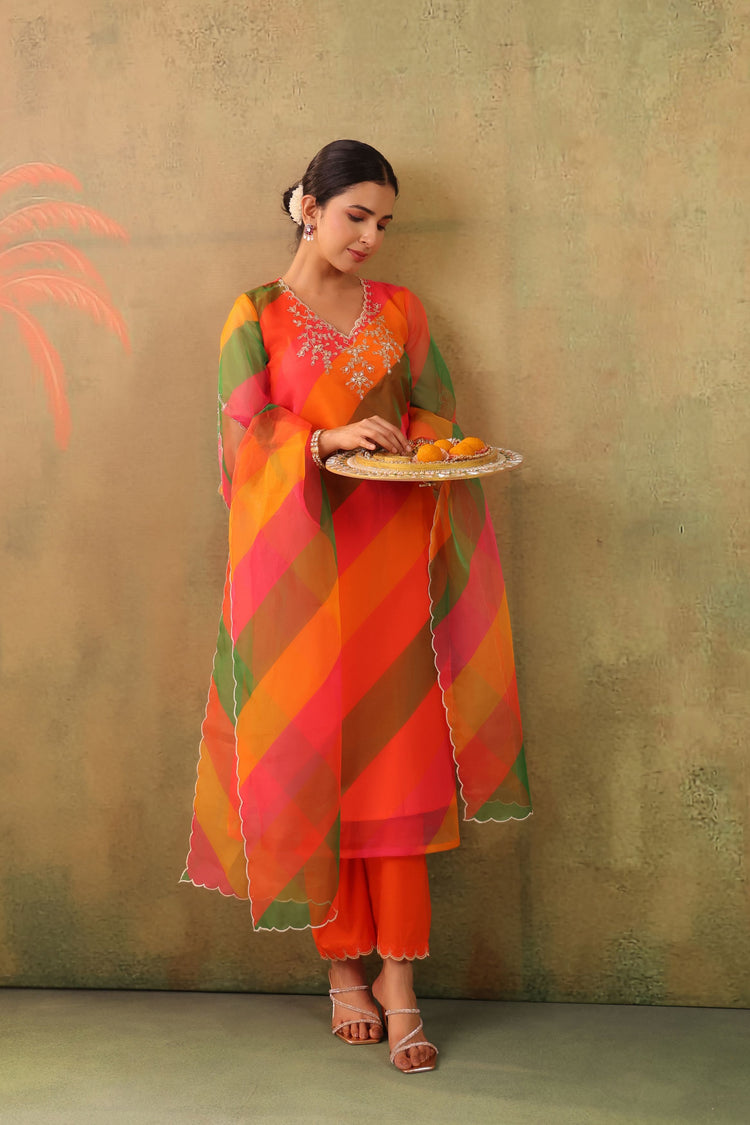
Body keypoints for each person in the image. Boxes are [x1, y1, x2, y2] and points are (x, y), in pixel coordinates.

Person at [183, 139, 531, 1074]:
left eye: (384, 222)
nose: (371, 236)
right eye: (356, 215)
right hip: (300, 579)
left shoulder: (403, 312)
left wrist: (423, 438)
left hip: (392, 569)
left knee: (398, 770)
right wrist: (323, 438)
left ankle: (401, 981)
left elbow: (434, 417)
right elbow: (241, 447)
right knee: (320, 767)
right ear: (309, 205)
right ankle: (343, 970)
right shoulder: (255, 314)